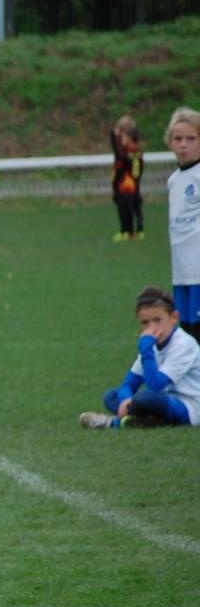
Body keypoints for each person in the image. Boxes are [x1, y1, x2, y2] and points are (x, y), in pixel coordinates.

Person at [79, 286, 199, 429]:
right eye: (145, 322)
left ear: (173, 318)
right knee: (111, 396)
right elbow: (129, 383)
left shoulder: (183, 344)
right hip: (161, 399)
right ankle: (143, 419)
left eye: (157, 320)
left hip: (190, 406)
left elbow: (154, 386)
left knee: (145, 398)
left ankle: (114, 423)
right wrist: (125, 400)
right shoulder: (151, 343)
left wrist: (146, 350)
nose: (151, 328)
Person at [164, 107, 200, 339]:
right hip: (181, 272)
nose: (183, 145)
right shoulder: (174, 181)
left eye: (191, 138)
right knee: (186, 337)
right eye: (178, 139)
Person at [110, 116, 144, 242]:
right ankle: (139, 230)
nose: (121, 139)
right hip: (133, 182)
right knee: (135, 206)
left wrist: (114, 137)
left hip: (127, 183)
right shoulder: (136, 148)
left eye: (122, 136)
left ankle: (127, 232)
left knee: (125, 207)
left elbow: (119, 156)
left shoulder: (128, 151)